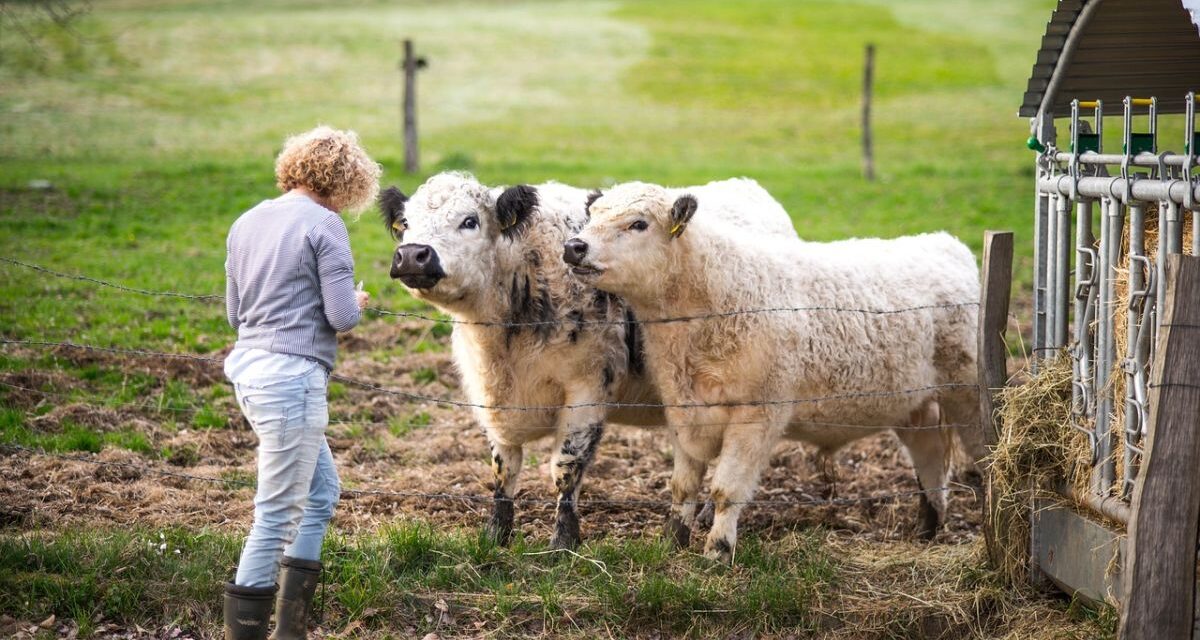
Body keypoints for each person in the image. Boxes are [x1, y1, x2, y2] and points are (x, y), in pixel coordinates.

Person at [222, 126, 379, 640]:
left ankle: (291, 630)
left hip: (250, 372)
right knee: (274, 514)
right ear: (349, 180)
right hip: (292, 379)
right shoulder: (325, 224)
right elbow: (339, 317)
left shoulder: (246, 221)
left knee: (321, 492)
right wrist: (355, 302)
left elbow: (234, 312)